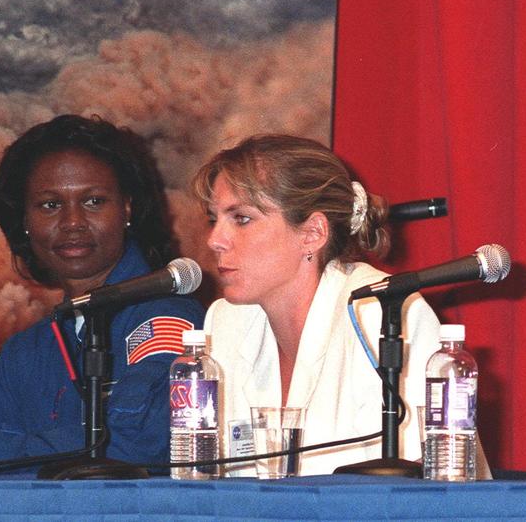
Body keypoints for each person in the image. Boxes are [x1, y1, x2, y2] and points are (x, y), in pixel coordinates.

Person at [0, 115, 204, 470]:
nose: (72, 222)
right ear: (24, 223)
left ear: (127, 209)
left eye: (93, 202)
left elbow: (138, 442)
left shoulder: (163, 317)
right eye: (49, 205)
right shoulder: (33, 348)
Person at [193, 134, 489, 476]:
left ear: (313, 234)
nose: (215, 240)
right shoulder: (225, 321)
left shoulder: (384, 311)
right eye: (214, 218)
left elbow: (430, 482)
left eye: (241, 219)